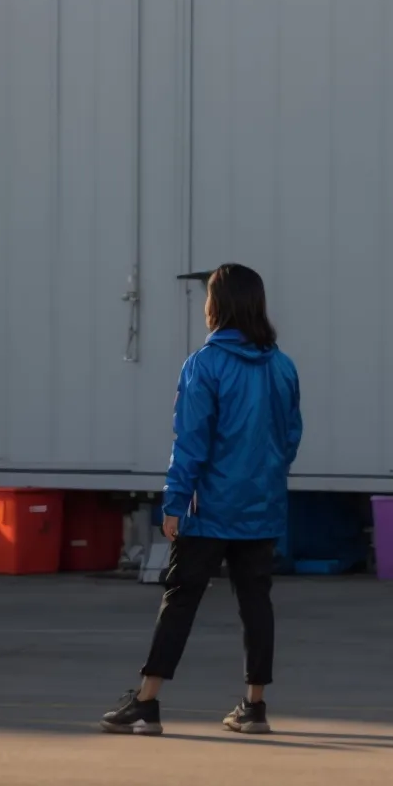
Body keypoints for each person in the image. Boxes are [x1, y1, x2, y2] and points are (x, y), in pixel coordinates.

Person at [101, 264, 302, 736]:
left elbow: (190, 439)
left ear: (217, 305)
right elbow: (291, 436)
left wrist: (175, 501)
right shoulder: (282, 365)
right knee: (256, 602)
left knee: (181, 598)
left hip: (210, 506)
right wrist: (266, 476)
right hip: (262, 505)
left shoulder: (204, 364)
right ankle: (255, 706)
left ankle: (147, 703)